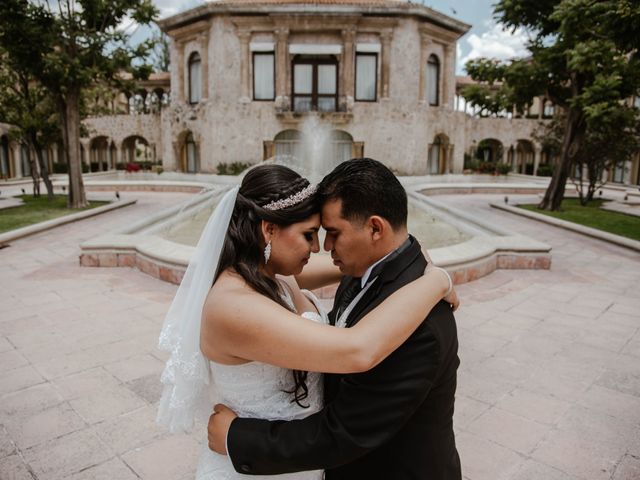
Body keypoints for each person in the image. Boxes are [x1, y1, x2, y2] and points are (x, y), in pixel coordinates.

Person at [156, 163, 457, 480]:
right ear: (269, 230)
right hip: (263, 467)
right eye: (310, 235)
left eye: (329, 234)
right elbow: (356, 349)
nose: (320, 248)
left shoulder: (271, 275)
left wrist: (411, 254)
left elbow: (361, 260)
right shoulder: (233, 306)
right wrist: (438, 281)